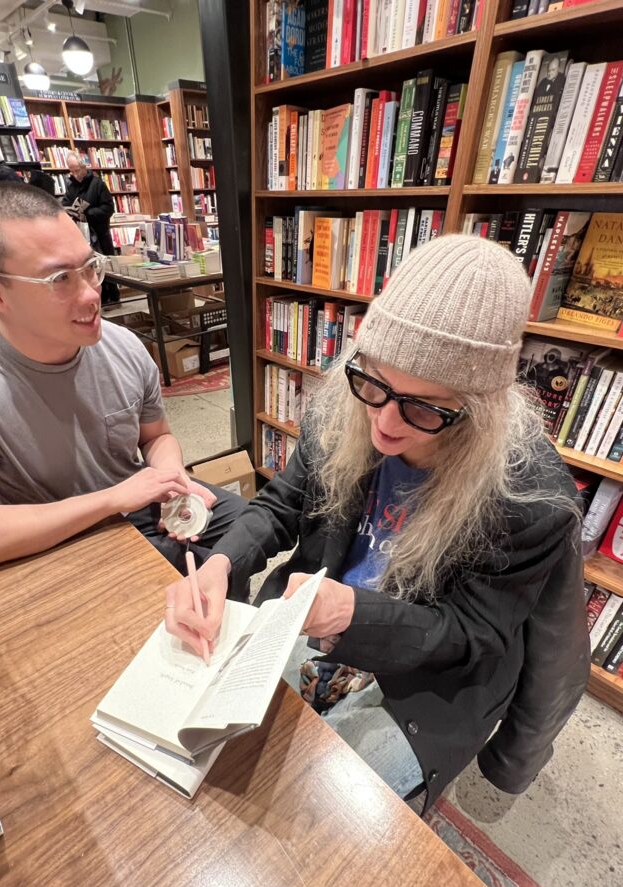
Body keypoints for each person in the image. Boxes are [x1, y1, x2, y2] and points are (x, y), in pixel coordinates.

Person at [165, 234, 590, 810]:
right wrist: (220, 564)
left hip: (423, 683)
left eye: (423, 408)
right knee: (213, 749)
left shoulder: (527, 495)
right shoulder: (345, 410)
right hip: (314, 623)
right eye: (374, 382)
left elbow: (474, 635)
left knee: (321, 810)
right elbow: (282, 504)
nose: (385, 423)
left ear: (478, 410)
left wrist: (353, 614)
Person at [0, 182, 246, 589]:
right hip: (51, 541)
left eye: (90, 268)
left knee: (248, 532)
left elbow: (156, 436)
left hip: (137, 506)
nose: (91, 295)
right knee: (200, 574)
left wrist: (171, 477)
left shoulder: (122, 346)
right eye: (60, 279)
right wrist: (112, 498)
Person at [62, 154, 119, 306]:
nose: (75, 174)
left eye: (77, 170)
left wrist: (88, 212)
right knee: (89, 267)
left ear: (84, 167)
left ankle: (112, 297)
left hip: (99, 233)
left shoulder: (97, 184)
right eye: (71, 171)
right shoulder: (71, 186)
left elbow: (108, 208)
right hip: (81, 233)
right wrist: (69, 211)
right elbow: (66, 204)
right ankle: (98, 299)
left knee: (105, 265)